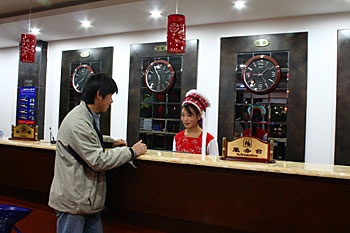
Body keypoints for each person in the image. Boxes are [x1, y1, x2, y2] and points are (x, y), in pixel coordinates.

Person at [48, 73, 147, 233]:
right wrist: (131, 152)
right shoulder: (78, 122)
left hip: (87, 202)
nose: (112, 101)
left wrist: (110, 142)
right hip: (74, 204)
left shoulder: (86, 116)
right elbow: (98, 160)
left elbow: (90, 138)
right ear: (99, 95)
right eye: (110, 96)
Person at [173, 89, 219, 155]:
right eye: (183, 115)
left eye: (189, 115)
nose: (185, 119)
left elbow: (214, 163)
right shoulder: (177, 138)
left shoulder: (209, 140)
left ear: (199, 116)